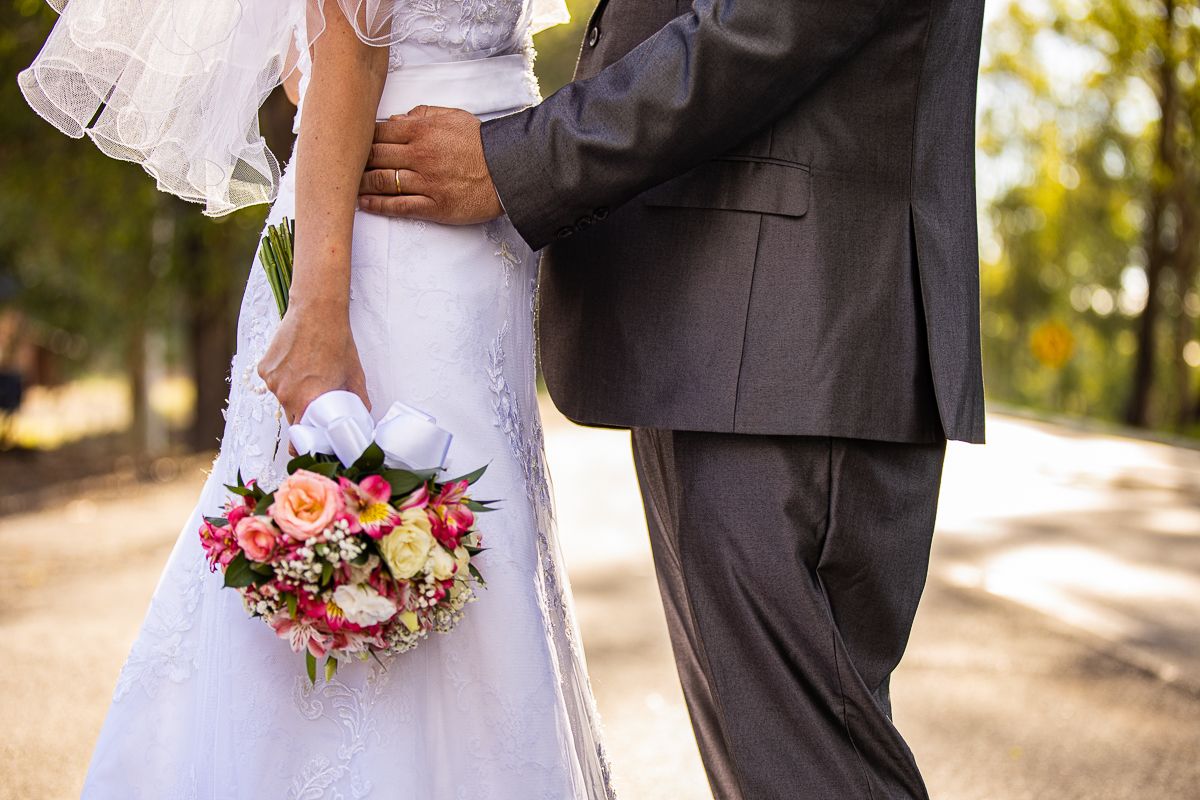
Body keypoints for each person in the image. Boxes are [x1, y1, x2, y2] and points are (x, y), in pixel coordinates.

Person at [356, 1, 988, 798]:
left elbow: (770, 23)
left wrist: (520, 161)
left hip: (790, 340)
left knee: (808, 767)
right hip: (740, 329)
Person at [20, 1, 617, 798]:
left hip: (458, 228)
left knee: (471, 563)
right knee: (407, 551)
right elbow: (340, 54)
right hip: (390, 241)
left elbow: (305, 65)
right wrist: (319, 311)